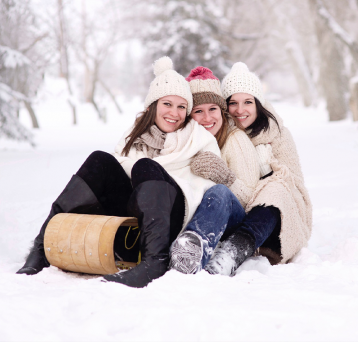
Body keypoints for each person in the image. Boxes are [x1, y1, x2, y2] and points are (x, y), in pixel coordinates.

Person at [16, 56, 220, 288]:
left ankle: (155, 261)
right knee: (99, 159)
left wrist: (151, 173)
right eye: (167, 104)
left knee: (145, 166)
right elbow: (120, 172)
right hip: (134, 215)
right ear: (153, 105)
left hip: (173, 217)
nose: (174, 112)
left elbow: (206, 191)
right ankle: (41, 248)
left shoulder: (199, 139)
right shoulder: (134, 135)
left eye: (181, 106)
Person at [191, 62, 313, 276]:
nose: (240, 110)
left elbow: (294, 182)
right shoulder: (220, 131)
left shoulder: (278, 135)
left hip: (275, 214)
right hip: (237, 208)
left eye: (248, 102)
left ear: (258, 104)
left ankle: (231, 253)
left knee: (276, 188)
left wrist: (268, 179)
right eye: (233, 103)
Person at [168, 66, 261, 274]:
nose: (207, 118)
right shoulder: (185, 140)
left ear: (222, 111)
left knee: (219, 192)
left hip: (232, 220)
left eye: (213, 109)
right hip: (193, 214)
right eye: (198, 111)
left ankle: (191, 253)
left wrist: (225, 177)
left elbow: (251, 200)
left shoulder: (235, 140)